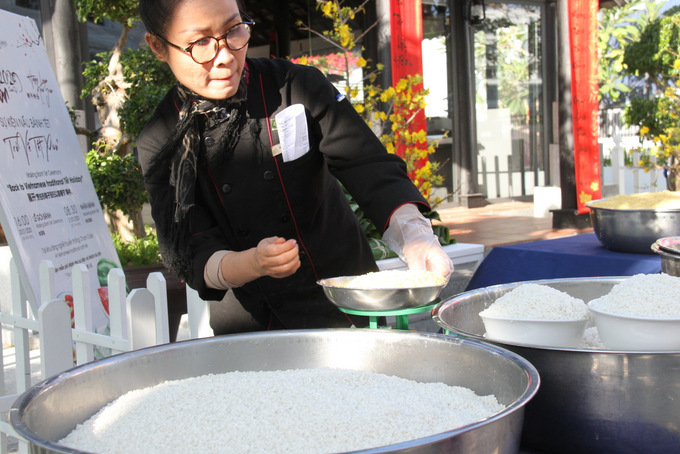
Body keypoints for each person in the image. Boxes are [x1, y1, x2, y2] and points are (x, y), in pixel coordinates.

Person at [136, 0, 453, 334]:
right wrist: (253, 263)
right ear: (158, 45)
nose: (226, 55)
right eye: (200, 42)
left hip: (342, 297)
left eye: (234, 30)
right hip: (252, 323)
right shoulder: (161, 139)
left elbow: (366, 163)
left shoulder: (295, 86)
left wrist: (415, 234)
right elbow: (193, 249)